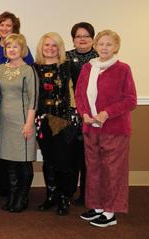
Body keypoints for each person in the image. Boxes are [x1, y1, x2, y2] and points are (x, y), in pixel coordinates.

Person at [75, 30, 136, 228]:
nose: (104, 48)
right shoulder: (87, 68)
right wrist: (84, 113)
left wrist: (106, 113)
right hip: (91, 127)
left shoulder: (123, 69)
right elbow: (79, 96)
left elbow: (130, 100)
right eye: (101, 44)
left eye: (109, 44)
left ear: (116, 47)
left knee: (112, 171)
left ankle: (110, 212)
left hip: (114, 129)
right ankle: (97, 207)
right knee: (93, 169)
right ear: (95, 45)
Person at [0, 11, 33, 197]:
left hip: (17, 108)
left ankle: (15, 190)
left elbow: (30, 82)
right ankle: (0, 185)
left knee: (15, 149)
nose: (4, 28)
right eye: (2, 25)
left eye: (9, 26)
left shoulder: (23, 52)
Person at [33, 32, 77, 215]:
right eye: (46, 45)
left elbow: (78, 92)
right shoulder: (34, 68)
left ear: (60, 48)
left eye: (54, 45)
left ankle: (64, 198)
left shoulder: (68, 67)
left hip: (62, 120)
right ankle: (51, 196)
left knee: (62, 160)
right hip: (42, 120)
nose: (50, 49)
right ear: (41, 48)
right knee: (48, 159)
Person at [0, 33, 38, 213]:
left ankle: (22, 197)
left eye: (15, 47)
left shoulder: (29, 70)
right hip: (5, 121)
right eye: (8, 47)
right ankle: (13, 196)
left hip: (22, 121)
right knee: (10, 162)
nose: (11, 50)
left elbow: (33, 99)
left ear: (22, 50)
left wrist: (29, 124)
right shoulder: (1, 70)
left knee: (24, 161)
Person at [65, 22, 97, 205]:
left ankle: (87, 195)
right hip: (69, 115)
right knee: (70, 156)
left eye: (86, 36)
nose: (82, 39)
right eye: (78, 36)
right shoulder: (65, 57)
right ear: (73, 39)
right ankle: (67, 194)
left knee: (89, 159)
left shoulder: (99, 58)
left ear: (93, 38)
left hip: (93, 115)